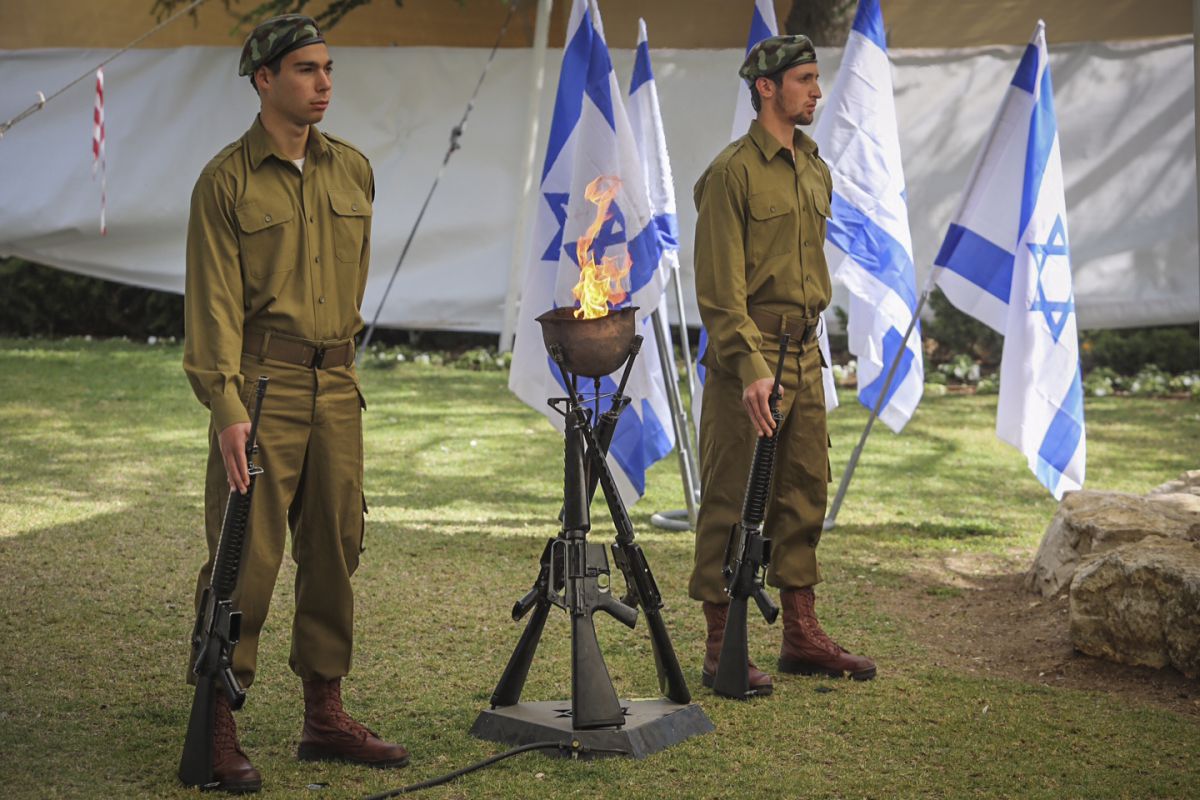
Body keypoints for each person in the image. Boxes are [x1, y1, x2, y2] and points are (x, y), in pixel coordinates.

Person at [182, 14, 407, 792]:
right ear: (264, 79)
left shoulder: (353, 170)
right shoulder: (226, 182)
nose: (324, 83)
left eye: (329, 68)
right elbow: (211, 308)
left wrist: (335, 371)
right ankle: (216, 716)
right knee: (246, 555)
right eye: (307, 70)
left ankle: (324, 712)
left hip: (337, 385)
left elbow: (353, 282)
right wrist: (227, 405)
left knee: (337, 547)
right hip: (262, 385)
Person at [689, 34, 876, 695]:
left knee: (802, 492)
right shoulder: (729, 174)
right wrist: (748, 366)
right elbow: (717, 290)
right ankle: (721, 645)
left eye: (816, 79)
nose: (816, 91)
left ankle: (801, 634)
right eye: (804, 79)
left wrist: (805, 356)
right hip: (753, 354)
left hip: (805, 352)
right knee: (732, 496)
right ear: (766, 88)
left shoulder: (813, 167)